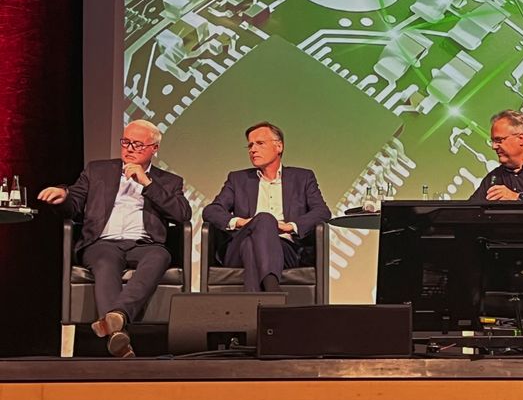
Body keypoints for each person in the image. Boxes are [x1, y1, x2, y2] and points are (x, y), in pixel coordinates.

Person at [38, 119, 191, 357]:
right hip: (103, 243)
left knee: (160, 256)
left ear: (154, 149)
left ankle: (116, 321)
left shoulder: (169, 181)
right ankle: (117, 327)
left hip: (145, 244)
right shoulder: (98, 170)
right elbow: (75, 201)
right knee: (105, 262)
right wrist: (63, 195)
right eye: (126, 142)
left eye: (138, 145)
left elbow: (182, 214)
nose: (129, 148)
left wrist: (147, 183)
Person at [202, 121, 331, 292]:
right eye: (250, 145)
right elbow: (211, 211)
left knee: (251, 245)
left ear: (279, 146)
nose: (252, 149)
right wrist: (241, 222)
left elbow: (322, 211)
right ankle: (272, 291)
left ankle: (259, 303)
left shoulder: (303, 177)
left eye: (259, 143)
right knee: (263, 220)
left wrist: (289, 226)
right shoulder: (238, 179)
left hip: (285, 249)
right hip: (236, 251)